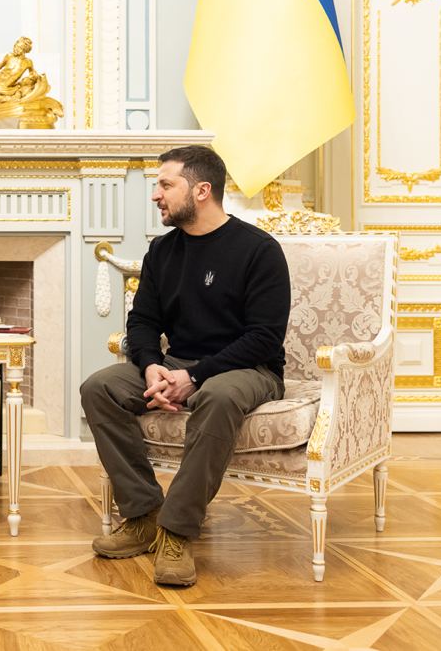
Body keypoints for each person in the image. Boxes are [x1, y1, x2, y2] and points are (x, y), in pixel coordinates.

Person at [80, 145, 290, 586]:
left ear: (201, 190)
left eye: (165, 185)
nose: (155, 195)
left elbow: (264, 338)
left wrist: (195, 376)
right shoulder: (162, 251)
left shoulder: (259, 250)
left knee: (217, 395)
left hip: (249, 369)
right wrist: (151, 366)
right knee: (99, 387)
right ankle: (142, 514)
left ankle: (176, 530)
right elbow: (142, 322)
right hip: (177, 362)